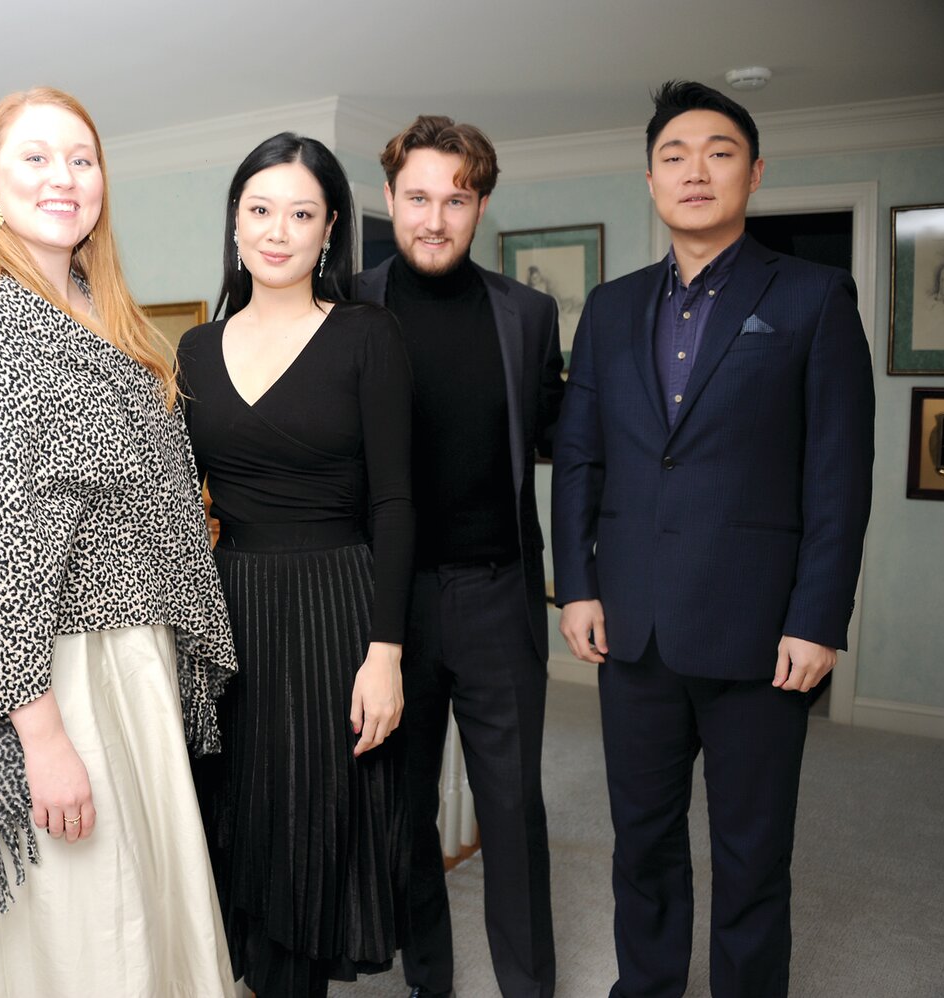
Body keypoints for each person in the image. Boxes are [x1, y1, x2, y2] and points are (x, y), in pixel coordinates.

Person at [0, 87, 238, 997]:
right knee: (85, 933)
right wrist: (41, 737)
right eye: (36, 158)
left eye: (81, 159)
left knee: (143, 915)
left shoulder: (103, 313)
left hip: (128, 663)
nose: (65, 177)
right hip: (47, 682)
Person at [551, 80, 874, 998]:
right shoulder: (610, 308)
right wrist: (576, 585)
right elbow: (579, 458)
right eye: (673, 155)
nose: (695, 171)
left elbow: (837, 476)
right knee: (642, 843)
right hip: (634, 630)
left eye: (719, 152)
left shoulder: (812, 297)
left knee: (750, 854)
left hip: (760, 634)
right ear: (649, 179)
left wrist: (817, 619)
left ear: (754, 172)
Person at [178, 132, 415, 998]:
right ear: (236, 224)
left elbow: (394, 503)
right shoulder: (195, 351)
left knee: (313, 835)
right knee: (238, 827)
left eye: (301, 213)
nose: (278, 231)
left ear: (329, 231)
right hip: (231, 610)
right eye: (260, 209)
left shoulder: (365, 334)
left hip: (337, 609)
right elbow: (172, 510)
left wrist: (384, 653)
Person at [355, 114, 564, 998]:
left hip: (496, 595)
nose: (434, 219)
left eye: (456, 199)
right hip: (387, 608)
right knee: (400, 818)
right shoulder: (348, 307)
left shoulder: (527, 315)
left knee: (512, 811)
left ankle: (529, 986)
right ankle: (426, 983)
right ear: (391, 199)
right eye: (416, 198)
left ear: (480, 205)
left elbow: (562, 443)